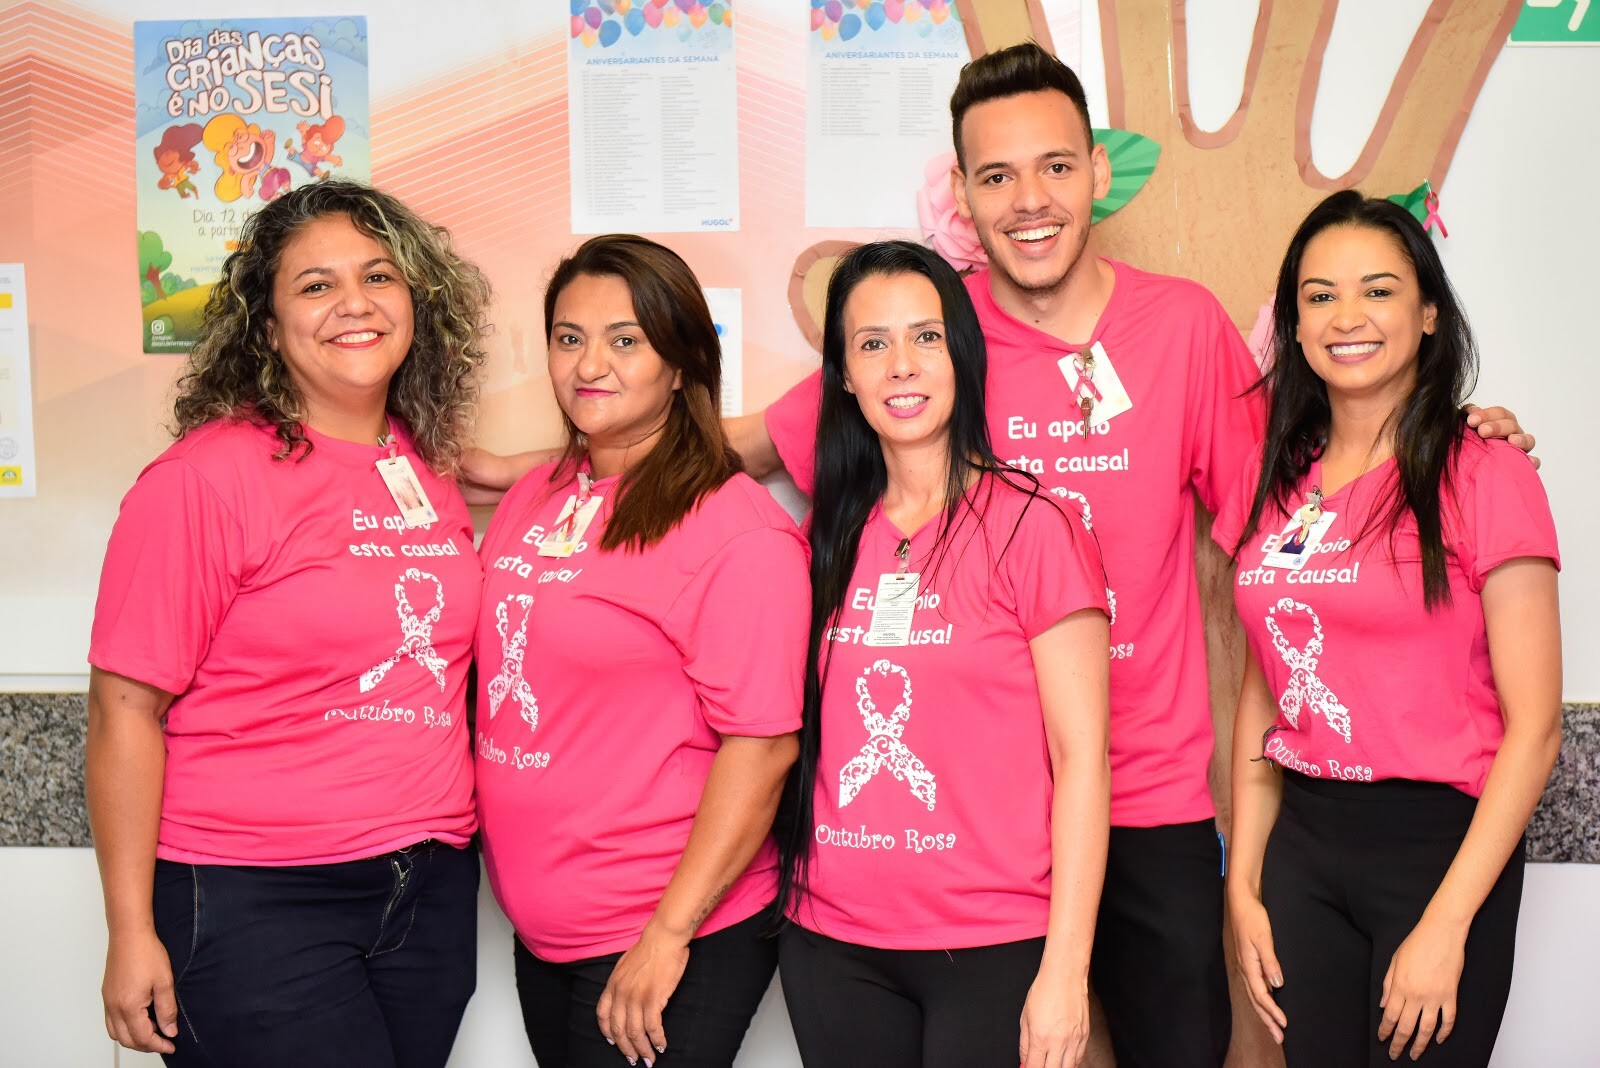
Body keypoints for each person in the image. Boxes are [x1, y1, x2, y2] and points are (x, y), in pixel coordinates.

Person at [460, 43, 1538, 1067]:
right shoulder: (929, 332)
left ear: (1096, 176)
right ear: (963, 196)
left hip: (1148, 794)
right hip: (978, 838)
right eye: (996, 175)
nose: (1029, 199)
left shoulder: (1182, 328)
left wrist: (1447, 435)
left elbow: (1300, 504)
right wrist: (533, 467)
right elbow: (726, 444)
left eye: (1055, 166)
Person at [87, 180, 492, 1067]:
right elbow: (123, 711)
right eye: (316, 285)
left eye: (379, 276)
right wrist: (129, 930)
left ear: (416, 303)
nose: (355, 302)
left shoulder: (421, 464)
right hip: (254, 895)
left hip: (426, 888)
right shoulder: (203, 480)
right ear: (267, 329)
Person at [1216, 191, 1560, 1067]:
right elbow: (1263, 695)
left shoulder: (1487, 472)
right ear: (1295, 325)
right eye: (1320, 296)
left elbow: (1536, 729)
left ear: (1429, 311)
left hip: (1439, 851)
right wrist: (1244, 884)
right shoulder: (1273, 480)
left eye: (1378, 290)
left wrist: (1448, 924)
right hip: (1303, 850)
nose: (1347, 317)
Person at [773, 240, 1111, 1068]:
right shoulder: (827, 536)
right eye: (872, 343)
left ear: (960, 354)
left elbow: (1083, 759)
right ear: (844, 376)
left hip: (992, 943)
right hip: (833, 945)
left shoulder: (1035, 527)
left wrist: (1066, 971)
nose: (901, 365)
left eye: (925, 337)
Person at [473, 234, 807, 1068]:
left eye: (626, 340)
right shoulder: (534, 496)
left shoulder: (734, 528)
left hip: (662, 935)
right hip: (546, 931)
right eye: (570, 337)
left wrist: (667, 934)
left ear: (683, 362)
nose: (591, 365)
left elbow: (764, 747)